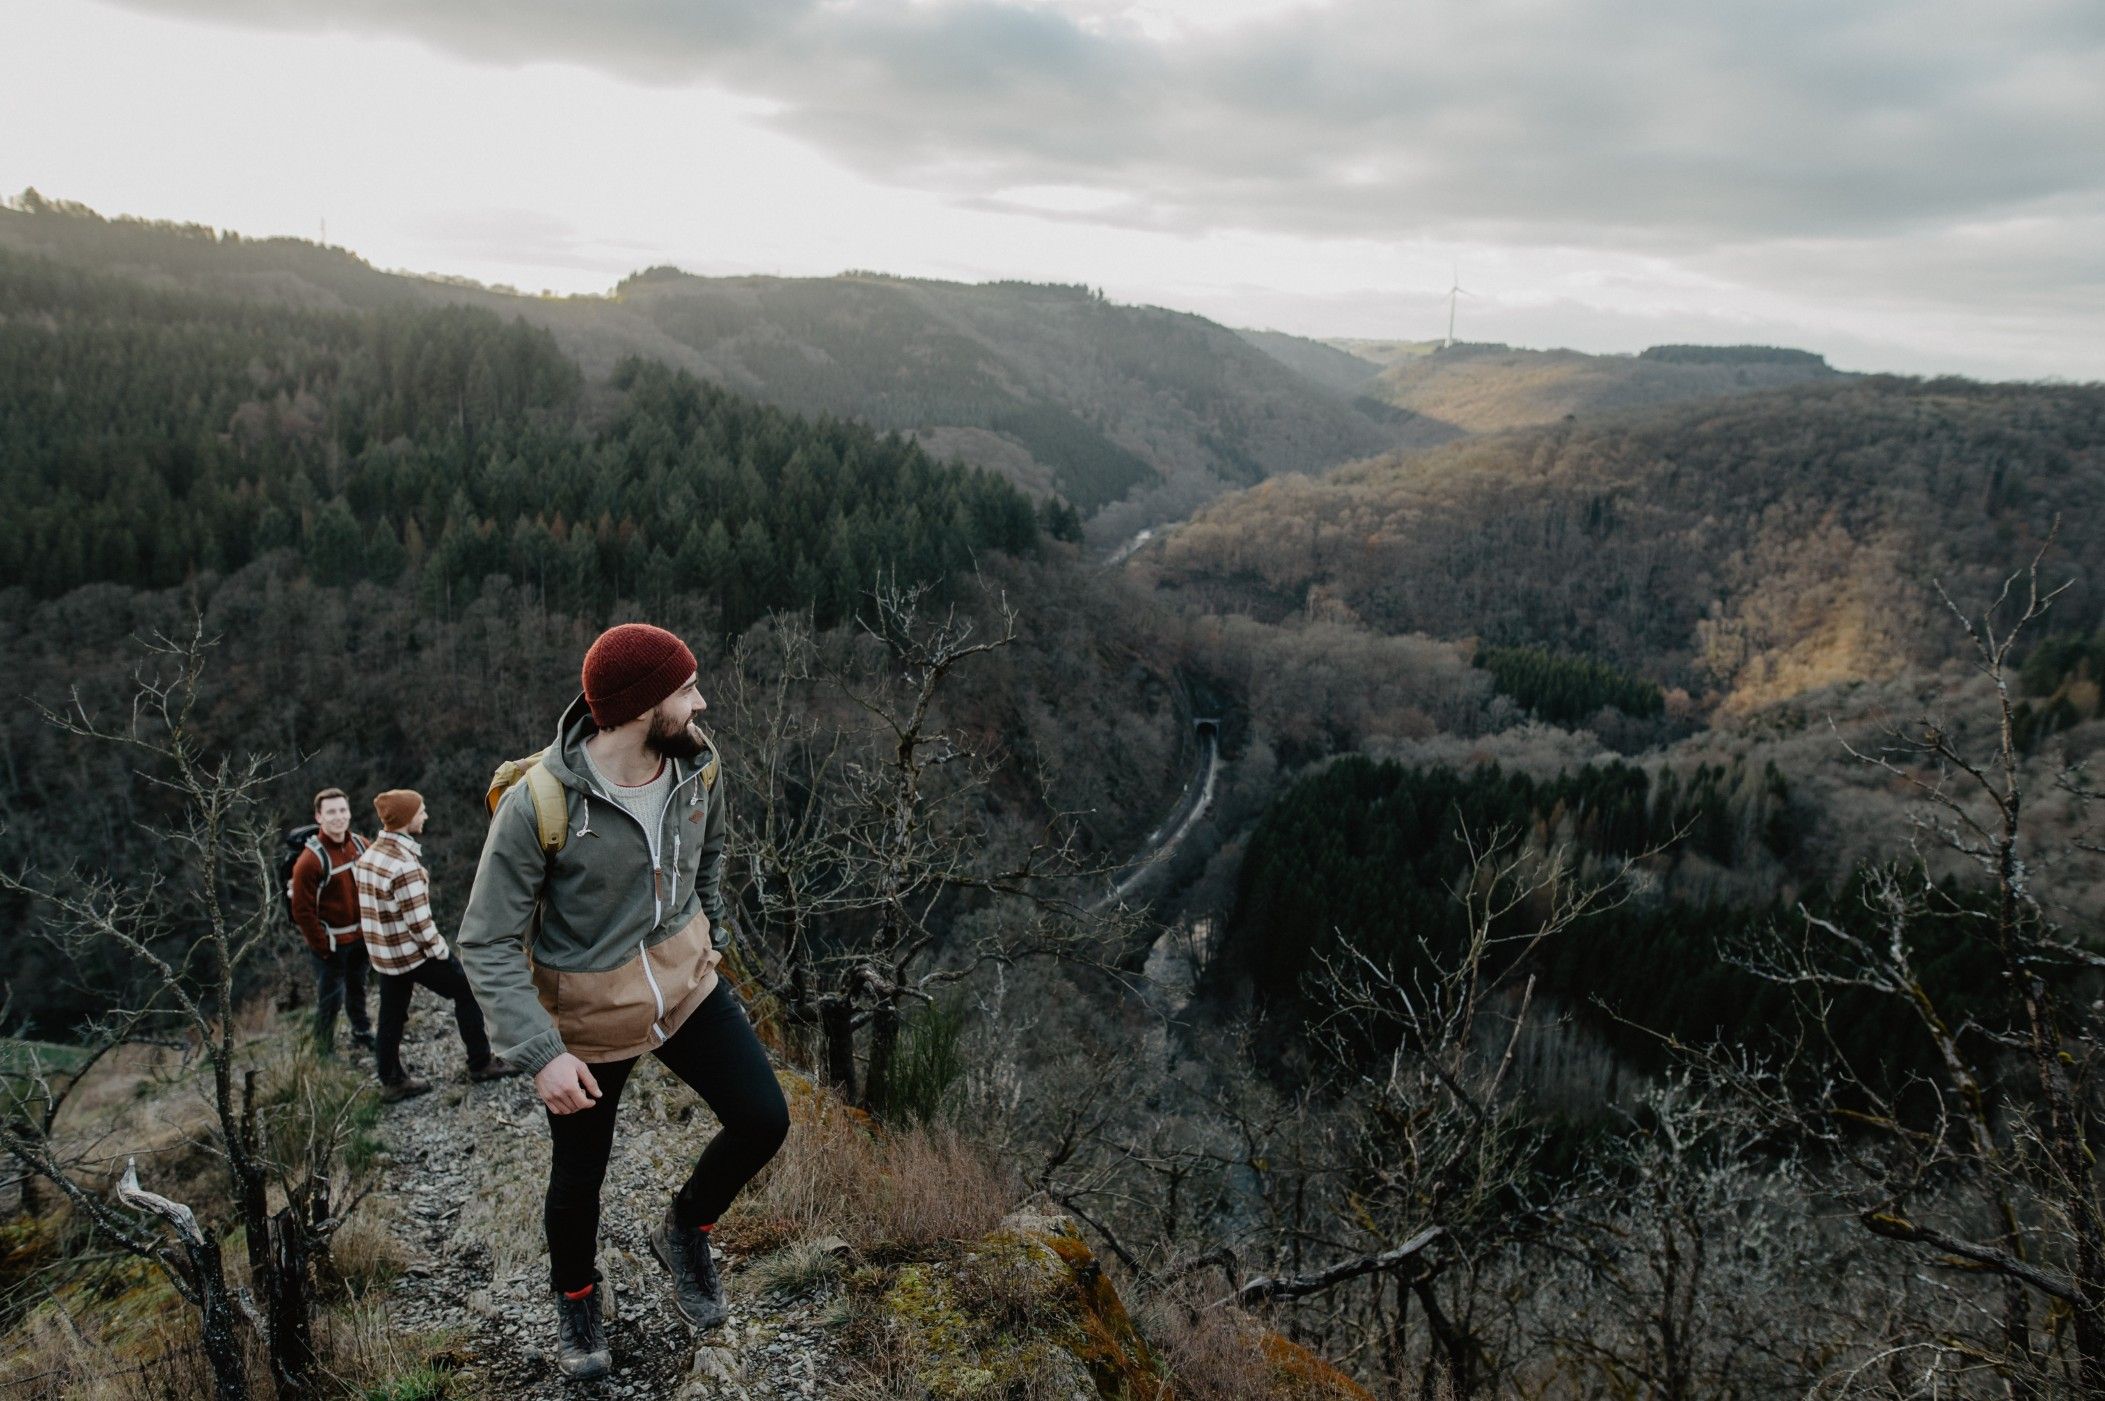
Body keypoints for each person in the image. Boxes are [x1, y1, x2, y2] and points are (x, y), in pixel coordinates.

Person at [457, 623, 789, 1383]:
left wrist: (711, 928)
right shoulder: (538, 802)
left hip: (685, 987)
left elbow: (710, 854)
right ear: (642, 706)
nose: (701, 704)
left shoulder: (697, 767)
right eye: (686, 691)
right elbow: (484, 941)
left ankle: (686, 1225)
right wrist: (541, 1053)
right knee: (580, 1180)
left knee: (763, 1118)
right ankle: (577, 1300)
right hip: (591, 1019)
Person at [352, 789, 518, 1102]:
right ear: (405, 819)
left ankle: (391, 1080)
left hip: (385, 956)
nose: (425, 815)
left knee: (390, 1015)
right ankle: (481, 1063)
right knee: (467, 990)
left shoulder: (369, 856)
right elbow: (421, 926)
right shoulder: (406, 868)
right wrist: (443, 954)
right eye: (420, 811)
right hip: (413, 954)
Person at [290, 788, 373, 1056]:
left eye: (342, 810)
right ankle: (323, 1051)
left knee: (357, 988)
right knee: (330, 999)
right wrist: (322, 946)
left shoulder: (361, 845)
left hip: (360, 937)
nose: (338, 817)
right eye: (331, 812)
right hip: (331, 943)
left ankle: (361, 1032)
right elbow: (302, 911)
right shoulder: (309, 861)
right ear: (319, 816)